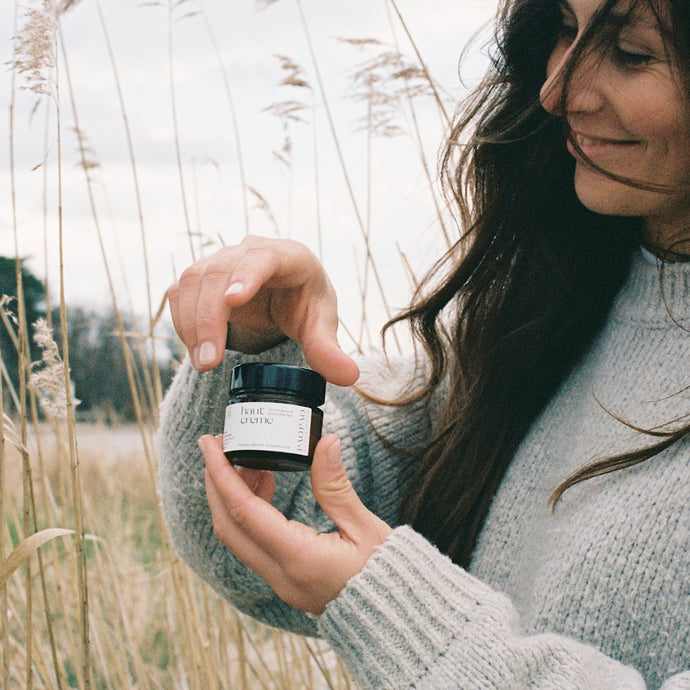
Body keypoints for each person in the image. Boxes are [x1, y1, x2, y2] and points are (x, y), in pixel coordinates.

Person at [157, 0, 690, 686]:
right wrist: (258, 344)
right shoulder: (543, 318)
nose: (557, 91)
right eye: (563, 26)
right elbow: (265, 529)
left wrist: (409, 626)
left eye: (633, 53)